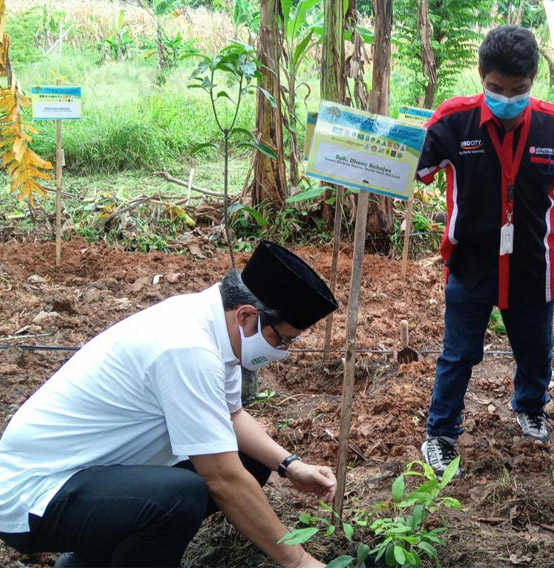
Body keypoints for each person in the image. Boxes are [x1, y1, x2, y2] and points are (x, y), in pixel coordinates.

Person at [0, 241, 339, 567]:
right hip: (34, 492)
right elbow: (221, 478)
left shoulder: (217, 324)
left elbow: (231, 415)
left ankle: (91, 561)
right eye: (281, 339)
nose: (282, 351)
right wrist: (299, 562)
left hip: (91, 471)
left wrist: (290, 465)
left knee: (250, 460)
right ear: (247, 315)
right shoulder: (187, 347)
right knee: (180, 495)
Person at [416, 25, 554, 477]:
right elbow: (410, 169)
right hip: (470, 261)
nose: (507, 100)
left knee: (537, 348)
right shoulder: (453, 121)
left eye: (519, 90)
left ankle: (531, 406)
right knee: (459, 352)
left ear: (535, 79)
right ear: (481, 76)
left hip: (533, 260)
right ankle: (440, 434)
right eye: (495, 89)